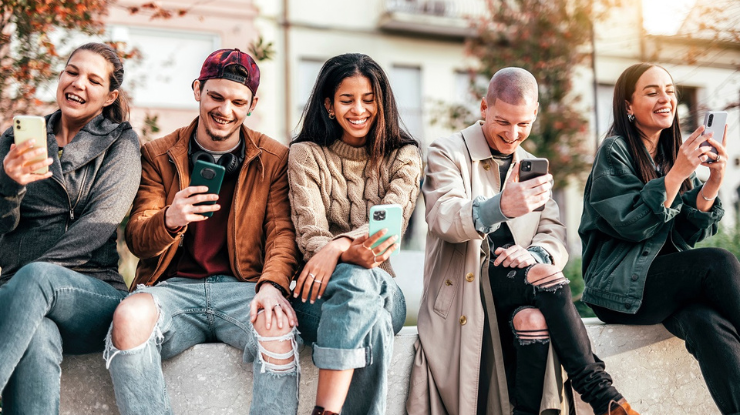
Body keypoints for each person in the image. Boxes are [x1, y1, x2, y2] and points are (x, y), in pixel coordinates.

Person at [408, 67, 639, 415]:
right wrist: (499, 207)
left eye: (523, 124)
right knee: (543, 278)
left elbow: (554, 234)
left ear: (534, 116)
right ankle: (598, 390)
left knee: (532, 318)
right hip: (469, 293)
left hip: (524, 288)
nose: (512, 134)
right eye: (502, 121)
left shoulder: (534, 165)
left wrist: (533, 254)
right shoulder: (447, 151)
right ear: (484, 108)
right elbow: (444, 216)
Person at [105, 48, 301, 415]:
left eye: (237, 102)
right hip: (173, 288)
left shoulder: (274, 159)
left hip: (244, 288)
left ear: (252, 104)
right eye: (216, 96)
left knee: (277, 327)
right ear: (198, 90)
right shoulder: (157, 154)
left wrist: (273, 285)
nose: (225, 110)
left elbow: (282, 234)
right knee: (128, 318)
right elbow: (137, 238)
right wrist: (170, 218)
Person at [579, 63, 740, 414]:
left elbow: (686, 233)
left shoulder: (671, 154)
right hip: (617, 288)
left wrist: (712, 182)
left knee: (704, 322)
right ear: (628, 106)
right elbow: (632, 225)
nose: (665, 98)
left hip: (663, 284)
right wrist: (679, 173)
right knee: (719, 262)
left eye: (669, 90)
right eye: (652, 92)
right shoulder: (615, 151)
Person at [0, 42, 141, 413]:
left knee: (35, 281)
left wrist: (28, 281)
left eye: (94, 80)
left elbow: (98, 225)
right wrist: (10, 183)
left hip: (91, 293)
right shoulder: (16, 140)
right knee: (37, 335)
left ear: (110, 95)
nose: (78, 83)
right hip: (22, 297)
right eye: (72, 71)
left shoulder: (121, 143)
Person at [288, 53, 422, 415]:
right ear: (329, 105)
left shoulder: (404, 156)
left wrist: (338, 246)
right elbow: (308, 236)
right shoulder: (305, 155)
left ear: (381, 104)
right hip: (319, 294)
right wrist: (342, 252)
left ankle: (325, 411)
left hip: (385, 288)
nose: (358, 109)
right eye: (346, 100)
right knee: (371, 317)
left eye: (368, 99)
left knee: (363, 279)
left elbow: (387, 231)